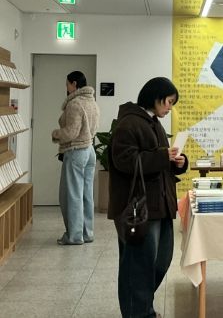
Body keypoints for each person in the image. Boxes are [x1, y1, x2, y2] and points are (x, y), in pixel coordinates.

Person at [108, 77, 188, 318]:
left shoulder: (153, 123)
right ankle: (138, 312)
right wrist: (163, 157)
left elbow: (158, 161)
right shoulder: (129, 123)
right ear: (156, 97)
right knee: (138, 265)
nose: (170, 107)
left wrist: (177, 162)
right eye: (169, 102)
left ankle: (141, 306)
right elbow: (125, 161)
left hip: (160, 205)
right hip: (139, 207)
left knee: (160, 260)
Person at [51, 71, 100, 245]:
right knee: (86, 194)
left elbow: (71, 132)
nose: (66, 87)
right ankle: (87, 233)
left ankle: (74, 236)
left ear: (74, 84)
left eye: (67, 84)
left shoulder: (75, 104)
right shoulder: (92, 102)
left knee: (72, 195)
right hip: (89, 150)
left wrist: (56, 134)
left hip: (76, 151)